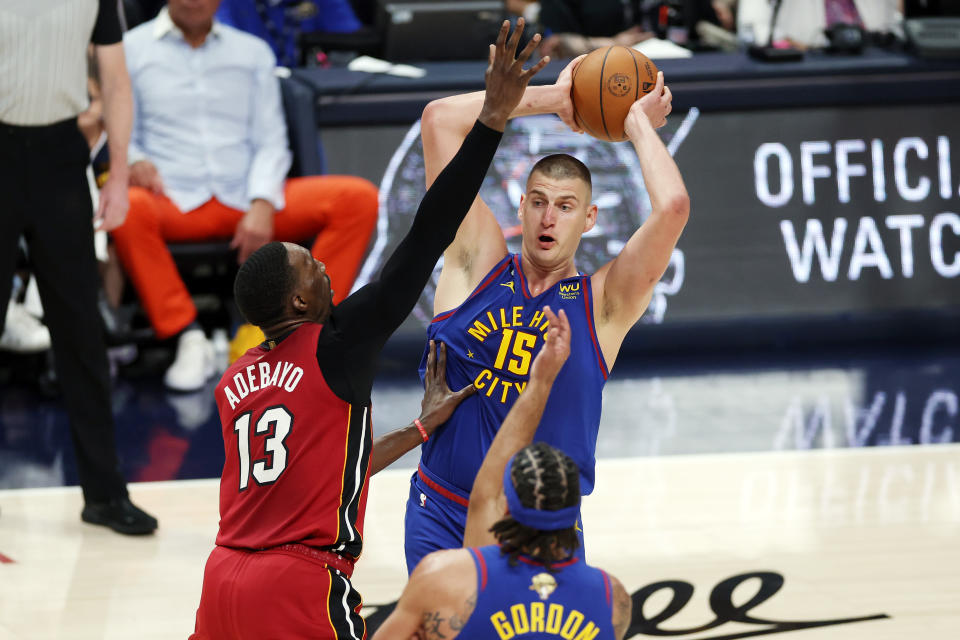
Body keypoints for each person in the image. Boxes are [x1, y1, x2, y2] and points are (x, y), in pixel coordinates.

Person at [188, 20, 549, 639]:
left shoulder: (236, 379)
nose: (327, 268)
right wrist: (492, 117)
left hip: (221, 582)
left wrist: (418, 429)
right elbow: (429, 233)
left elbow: (318, 476)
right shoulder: (335, 342)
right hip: (295, 584)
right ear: (301, 300)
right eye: (314, 266)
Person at [404, 50, 686, 572]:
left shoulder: (603, 304)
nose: (547, 218)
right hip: (441, 510)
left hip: (539, 527)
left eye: (564, 206)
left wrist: (637, 126)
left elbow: (671, 209)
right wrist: (561, 99)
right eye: (537, 201)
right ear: (520, 207)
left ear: (590, 218)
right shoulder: (475, 262)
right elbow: (439, 120)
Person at [113, 0, 379, 392]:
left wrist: (261, 201)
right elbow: (117, 130)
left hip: (247, 195)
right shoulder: (129, 49)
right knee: (126, 208)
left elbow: (271, 139)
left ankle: (300, 334)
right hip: (173, 196)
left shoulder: (251, 51)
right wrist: (133, 159)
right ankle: (187, 335)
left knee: (357, 199)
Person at [374, 307, 632, 640]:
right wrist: (544, 379)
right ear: (573, 516)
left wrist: (540, 379)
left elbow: (486, 490)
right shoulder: (612, 600)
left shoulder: (447, 582)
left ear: (505, 509)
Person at [0, 0, 157, 535]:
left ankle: (105, 494)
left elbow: (114, 80)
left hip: (62, 157)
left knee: (81, 333)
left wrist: (115, 176)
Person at [737, 0, 902, 49]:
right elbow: (752, 29)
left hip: (872, 66)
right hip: (802, 73)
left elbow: (897, 23)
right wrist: (795, 47)